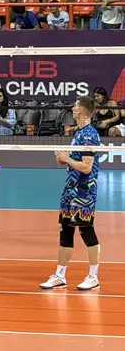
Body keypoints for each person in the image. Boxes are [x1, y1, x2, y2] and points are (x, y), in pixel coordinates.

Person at [40, 97, 101, 291]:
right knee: (65, 231)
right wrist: (65, 160)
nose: (72, 109)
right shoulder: (78, 132)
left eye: (75, 106)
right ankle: (60, 275)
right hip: (70, 191)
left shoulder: (90, 135)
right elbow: (77, 162)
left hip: (83, 192)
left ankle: (93, 277)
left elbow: (87, 167)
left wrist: (67, 158)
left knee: (86, 231)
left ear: (82, 111)